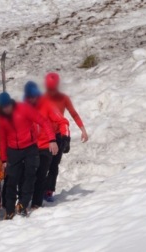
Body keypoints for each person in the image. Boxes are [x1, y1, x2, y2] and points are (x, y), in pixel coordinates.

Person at [0, 92, 58, 219]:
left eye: (7, 105)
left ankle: (23, 204)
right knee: (12, 180)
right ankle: (9, 209)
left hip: (30, 147)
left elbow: (43, 121)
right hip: (13, 150)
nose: (6, 109)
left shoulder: (23, 108)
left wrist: (52, 139)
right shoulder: (1, 118)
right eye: (3, 107)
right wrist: (3, 159)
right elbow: (2, 139)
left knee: (30, 176)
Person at [23, 81, 69, 209]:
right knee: (28, 174)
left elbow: (62, 121)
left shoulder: (47, 106)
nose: (32, 99)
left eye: (34, 96)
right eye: (29, 96)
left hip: (46, 145)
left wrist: (65, 136)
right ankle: (24, 201)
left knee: (41, 173)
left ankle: (36, 203)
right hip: (30, 147)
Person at [44, 72, 89, 202]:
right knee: (42, 165)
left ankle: (49, 191)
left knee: (54, 164)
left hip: (58, 136)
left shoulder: (63, 98)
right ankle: (38, 189)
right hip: (43, 136)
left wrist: (83, 130)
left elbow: (73, 114)